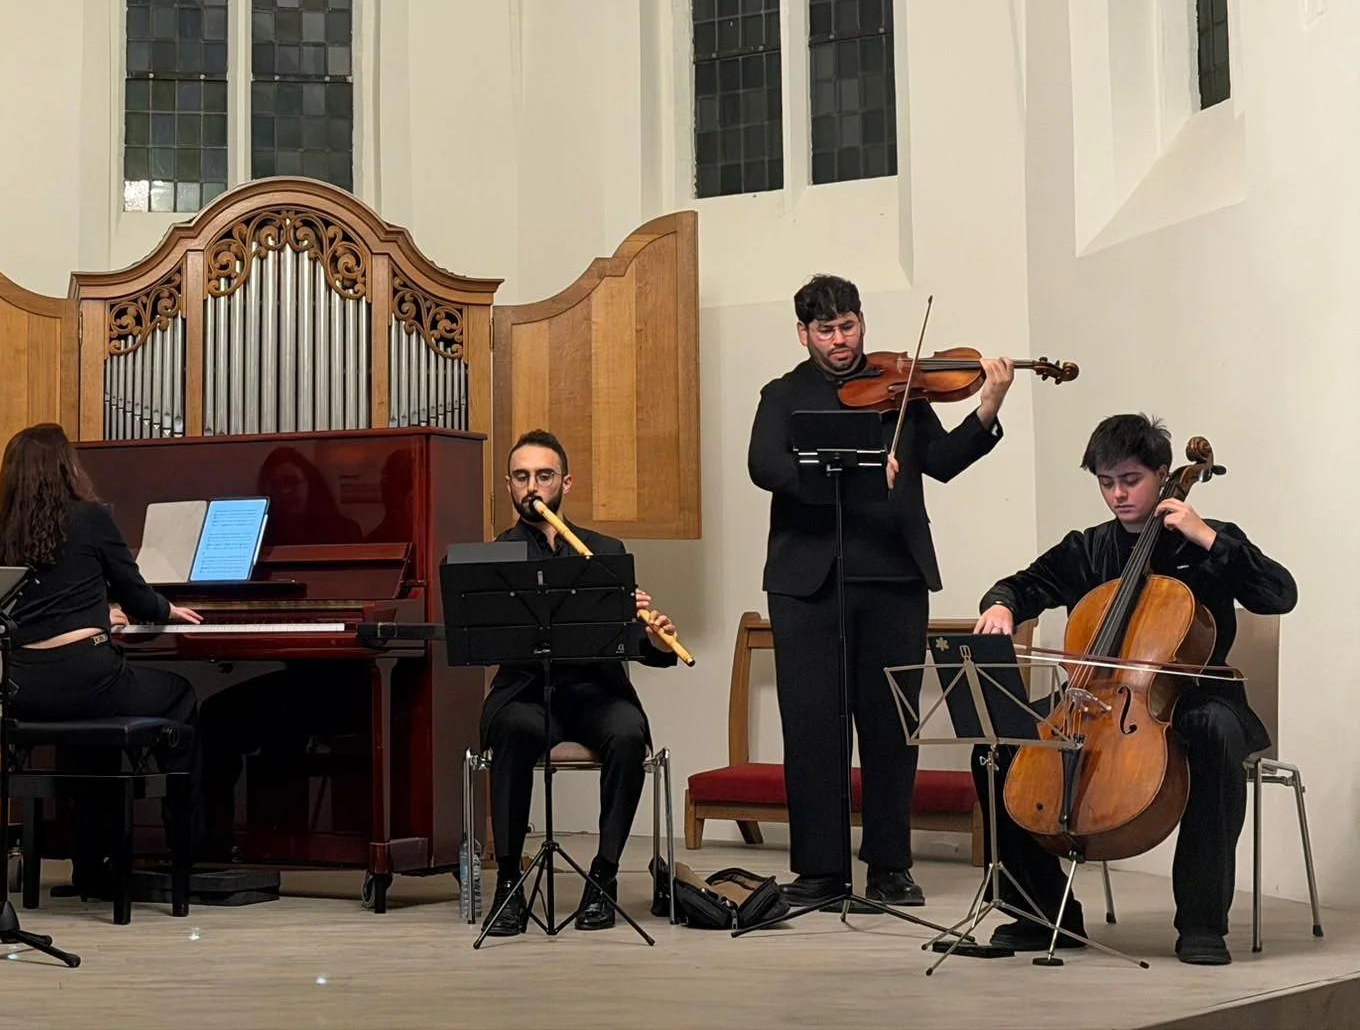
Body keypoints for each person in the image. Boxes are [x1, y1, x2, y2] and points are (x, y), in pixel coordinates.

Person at [972, 413, 1297, 965]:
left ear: (1163, 474)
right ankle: (1042, 914)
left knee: (1215, 735)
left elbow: (1279, 593)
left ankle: (1201, 923)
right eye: (1106, 482)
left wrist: (1206, 536)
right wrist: (1001, 603)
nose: (1118, 494)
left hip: (1198, 695)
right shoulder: (1089, 548)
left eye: (1131, 480)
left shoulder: (1208, 539)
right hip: (1098, 698)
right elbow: (1024, 584)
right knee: (994, 747)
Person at [747, 274, 1012, 909]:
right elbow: (766, 466)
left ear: (862, 321)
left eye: (849, 326)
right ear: (803, 333)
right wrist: (849, 471)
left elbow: (943, 462)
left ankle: (890, 866)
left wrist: (990, 404)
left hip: (894, 575)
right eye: (826, 330)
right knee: (812, 726)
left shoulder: (903, 389)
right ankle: (819, 872)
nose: (840, 341)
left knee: (892, 728)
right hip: (807, 584)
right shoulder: (784, 395)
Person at [480, 430, 681, 936]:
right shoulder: (495, 557)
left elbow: (634, 646)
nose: (533, 487)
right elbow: (481, 643)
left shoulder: (603, 551)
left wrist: (655, 639)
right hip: (526, 694)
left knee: (628, 732)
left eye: (544, 476)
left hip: (596, 694)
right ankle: (508, 882)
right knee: (513, 730)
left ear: (564, 482)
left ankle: (604, 877)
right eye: (522, 477)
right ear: (508, 485)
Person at [0, 424, 201, 895]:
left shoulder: (6, 530)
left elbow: (47, 597)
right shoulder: (91, 517)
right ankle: (184, 846)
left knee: (91, 734)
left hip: (26, 689)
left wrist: (98, 611)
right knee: (181, 694)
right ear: (66, 467)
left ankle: (91, 863)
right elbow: (141, 599)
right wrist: (168, 610)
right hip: (87, 679)